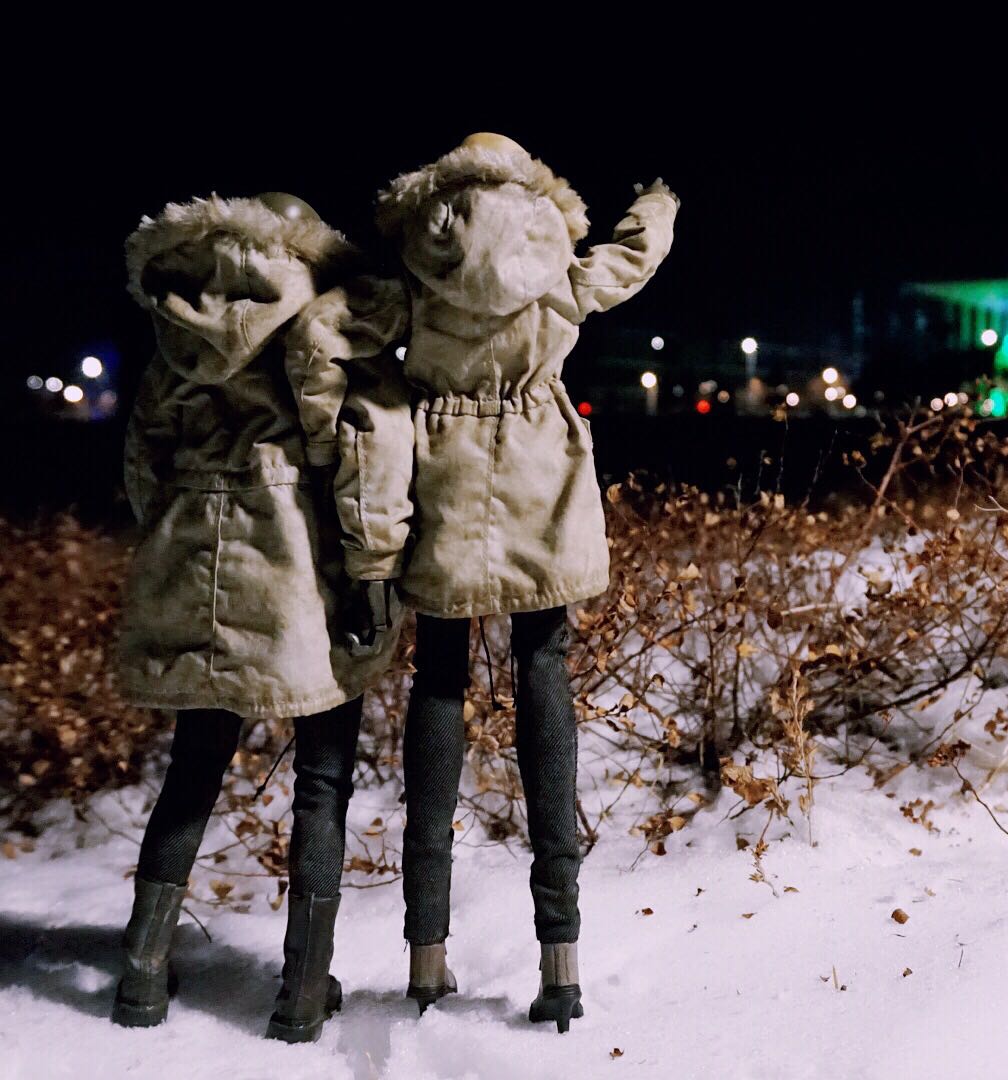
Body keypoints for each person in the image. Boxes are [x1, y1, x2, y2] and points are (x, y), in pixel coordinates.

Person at [373, 133, 678, 1031]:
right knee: (545, 672)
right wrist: (658, 200)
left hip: (441, 479)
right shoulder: (554, 261)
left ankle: (426, 957)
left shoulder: (417, 265)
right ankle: (561, 964)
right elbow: (631, 260)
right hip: (541, 478)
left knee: (438, 681)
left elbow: (339, 324)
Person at [113, 192, 413, 1042]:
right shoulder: (323, 319)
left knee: (194, 765)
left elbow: (142, 460)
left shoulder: (178, 321)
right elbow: (367, 452)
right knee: (322, 775)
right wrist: (374, 570)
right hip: (298, 561)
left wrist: (177, 533)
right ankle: (303, 991)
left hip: (192, 552)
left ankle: (141, 975)